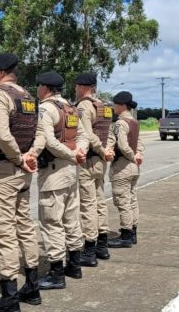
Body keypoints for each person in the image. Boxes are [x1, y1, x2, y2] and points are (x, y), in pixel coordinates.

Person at [0, 53, 40, 312]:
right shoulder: (27, 98)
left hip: (4, 170)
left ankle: (9, 300)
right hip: (23, 171)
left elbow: (1, 134)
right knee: (24, 225)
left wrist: (16, 157)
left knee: (4, 233)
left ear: (0, 72)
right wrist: (29, 156)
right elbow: (38, 133)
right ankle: (32, 286)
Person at [30, 71, 88, 289]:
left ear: (44, 88)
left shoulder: (46, 108)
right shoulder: (71, 108)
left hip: (54, 172)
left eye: (38, 87)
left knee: (51, 222)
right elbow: (82, 135)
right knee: (71, 218)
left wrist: (74, 154)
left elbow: (48, 141)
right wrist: (79, 152)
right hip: (71, 170)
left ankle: (56, 273)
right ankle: (74, 265)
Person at [74, 72, 113, 264]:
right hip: (101, 161)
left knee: (88, 204)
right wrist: (107, 150)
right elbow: (110, 132)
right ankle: (102, 245)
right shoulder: (104, 106)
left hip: (89, 159)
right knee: (100, 201)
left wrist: (101, 149)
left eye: (76, 87)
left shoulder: (84, 106)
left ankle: (89, 250)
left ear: (82, 87)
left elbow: (87, 135)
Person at [106, 91, 144, 248]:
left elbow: (122, 145)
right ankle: (133, 232)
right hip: (134, 168)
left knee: (123, 202)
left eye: (115, 104)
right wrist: (138, 155)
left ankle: (126, 235)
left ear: (121, 105)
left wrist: (131, 155)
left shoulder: (120, 123)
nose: (113, 107)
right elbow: (140, 142)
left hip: (123, 166)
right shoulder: (134, 122)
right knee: (132, 199)